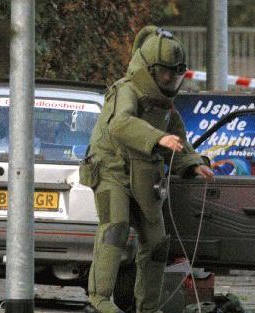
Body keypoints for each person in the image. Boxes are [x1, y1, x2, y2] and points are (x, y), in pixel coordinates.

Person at [79, 26, 214, 313]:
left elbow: (179, 141)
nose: (170, 80)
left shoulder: (166, 104)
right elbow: (120, 124)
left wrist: (192, 165)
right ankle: (99, 300)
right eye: (165, 73)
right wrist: (156, 138)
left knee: (157, 244)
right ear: (150, 70)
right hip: (111, 171)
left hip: (143, 173)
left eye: (175, 75)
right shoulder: (127, 90)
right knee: (114, 231)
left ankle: (148, 307)